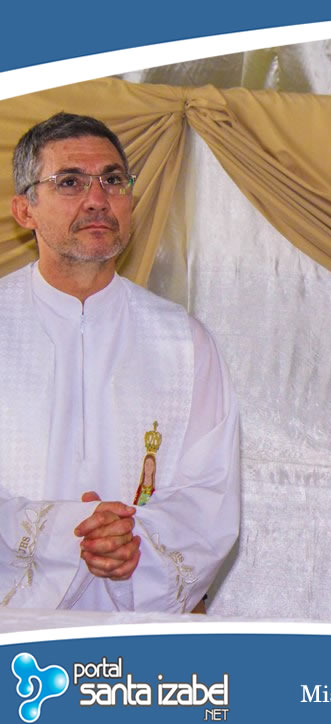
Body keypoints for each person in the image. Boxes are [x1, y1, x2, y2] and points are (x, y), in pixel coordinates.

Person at [1, 113, 240, 612]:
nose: (97, 199)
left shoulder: (184, 342)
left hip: (132, 634)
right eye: (70, 182)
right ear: (24, 210)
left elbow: (209, 495)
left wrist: (133, 547)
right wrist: (69, 532)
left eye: (113, 180)